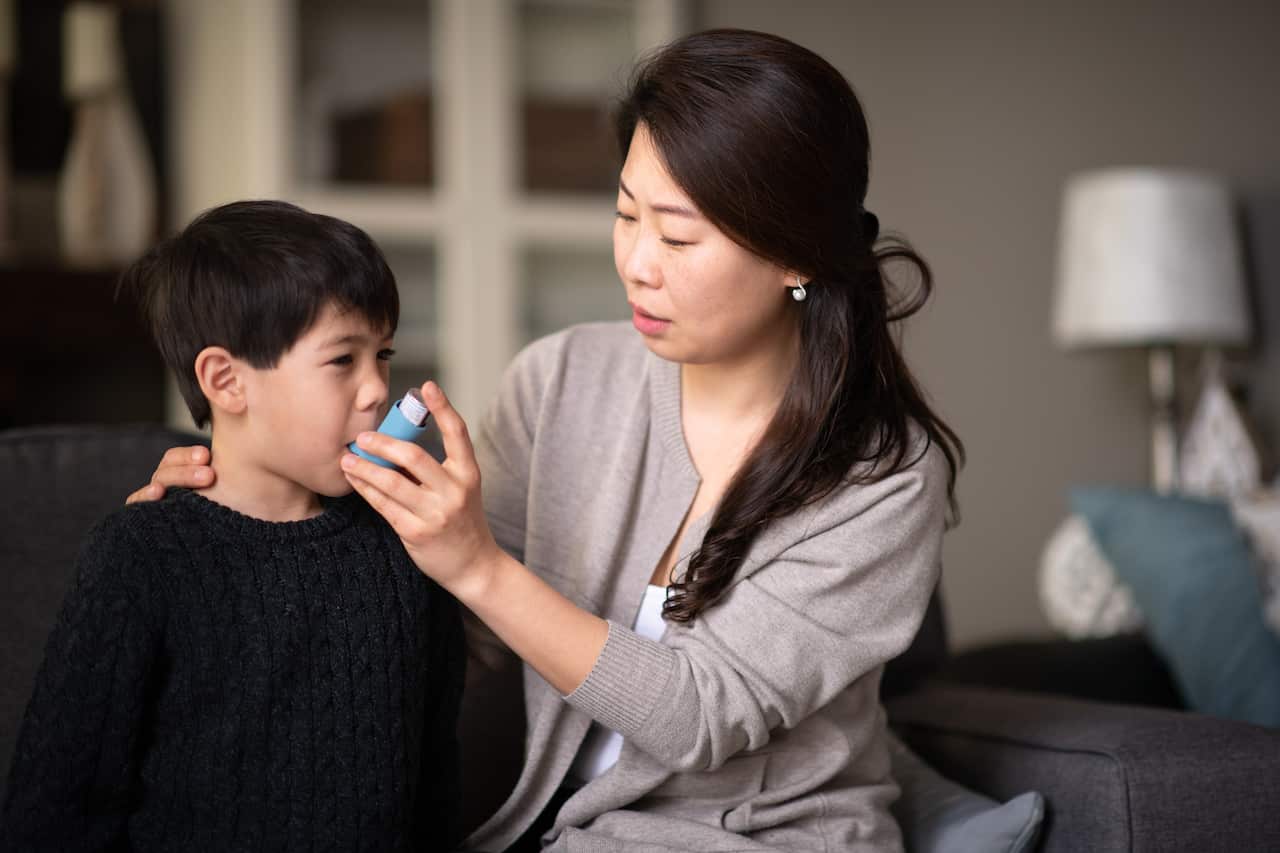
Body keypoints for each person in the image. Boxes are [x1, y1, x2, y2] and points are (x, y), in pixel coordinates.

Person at [131, 28, 963, 852]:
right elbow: (442, 620)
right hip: (559, 829)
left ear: (794, 253)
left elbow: (700, 716)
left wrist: (479, 564)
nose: (637, 262)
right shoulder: (562, 378)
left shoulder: (883, 476)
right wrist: (246, 506)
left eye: (677, 237)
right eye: (625, 213)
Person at [1, 200, 466, 852]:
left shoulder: (408, 551)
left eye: (382, 354)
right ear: (226, 380)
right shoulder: (140, 554)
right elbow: (56, 808)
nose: (376, 390)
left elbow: (436, 791)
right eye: (343, 360)